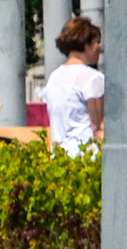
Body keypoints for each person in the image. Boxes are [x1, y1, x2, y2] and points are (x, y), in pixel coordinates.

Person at [43, 16, 105, 154]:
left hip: (59, 155)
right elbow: (98, 127)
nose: (99, 48)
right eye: (96, 42)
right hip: (85, 156)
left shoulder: (54, 77)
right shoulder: (93, 78)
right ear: (85, 44)